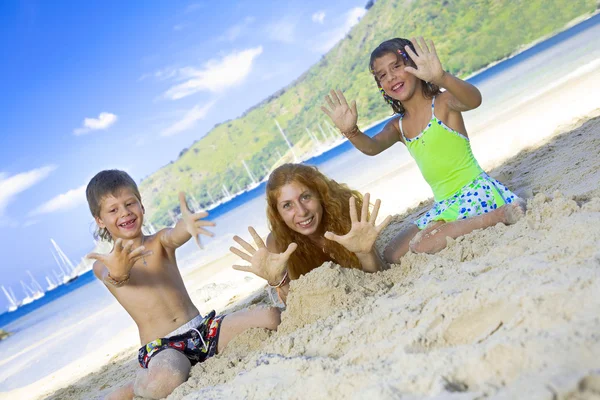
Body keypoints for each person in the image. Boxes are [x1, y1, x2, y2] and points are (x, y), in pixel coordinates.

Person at [321, 37, 526, 263]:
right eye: (382, 75)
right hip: (445, 206)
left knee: (421, 244)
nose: (391, 77)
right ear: (382, 87)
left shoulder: (443, 103)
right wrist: (351, 132)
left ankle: (495, 216)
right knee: (392, 253)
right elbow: (372, 147)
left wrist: (442, 77)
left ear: (416, 65)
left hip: (475, 192)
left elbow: (474, 99)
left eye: (396, 67)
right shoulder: (398, 126)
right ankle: (457, 225)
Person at [85, 170, 281, 400]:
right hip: (163, 348)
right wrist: (119, 270)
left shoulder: (159, 241)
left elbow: (174, 235)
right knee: (164, 381)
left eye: (130, 203)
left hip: (203, 332)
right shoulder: (103, 265)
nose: (125, 212)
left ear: (141, 206)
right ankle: (132, 386)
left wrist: (186, 226)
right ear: (100, 220)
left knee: (271, 317)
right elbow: (114, 277)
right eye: (113, 210)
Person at [229, 163, 391, 304]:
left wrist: (365, 253)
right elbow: (296, 305)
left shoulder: (345, 213)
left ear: (320, 194)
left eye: (305, 197)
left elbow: (377, 276)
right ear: (278, 213)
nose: (302, 211)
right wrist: (279, 282)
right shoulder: (278, 242)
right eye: (287, 205)